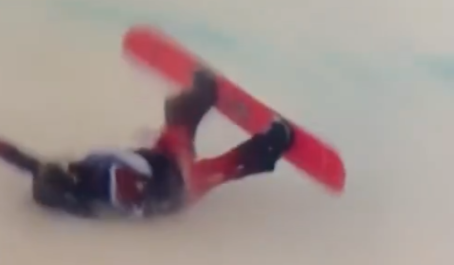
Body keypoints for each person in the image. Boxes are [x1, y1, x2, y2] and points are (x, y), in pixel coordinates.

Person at [26, 69, 295, 217]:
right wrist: (175, 170)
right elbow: (143, 196)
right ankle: (272, 144)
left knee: (178, 121)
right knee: (222, 166)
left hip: (159, 161)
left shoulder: (86, 172)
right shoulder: (104, 188)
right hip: (176, 187)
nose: (67, 165)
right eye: (64, 170)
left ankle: (202, 95)